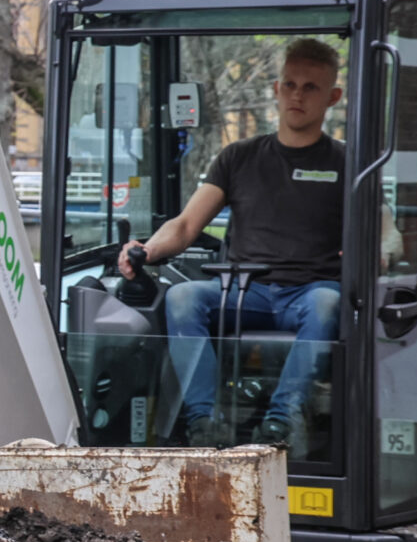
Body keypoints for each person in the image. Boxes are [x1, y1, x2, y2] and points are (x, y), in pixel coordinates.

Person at [119, 38, 345, 449]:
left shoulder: (346, 163)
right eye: (290, 84)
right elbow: (186, 225)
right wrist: (147, 250)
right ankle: (205, 423)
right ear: (276, 90)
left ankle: (282, 420)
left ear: (332, 96)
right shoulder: (238, 157)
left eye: (310, 87)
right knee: (183, 298)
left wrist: (384, 248)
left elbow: (385, 232)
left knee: (329, 303)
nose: (297, 95)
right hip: (245, 293)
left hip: (310, 292)